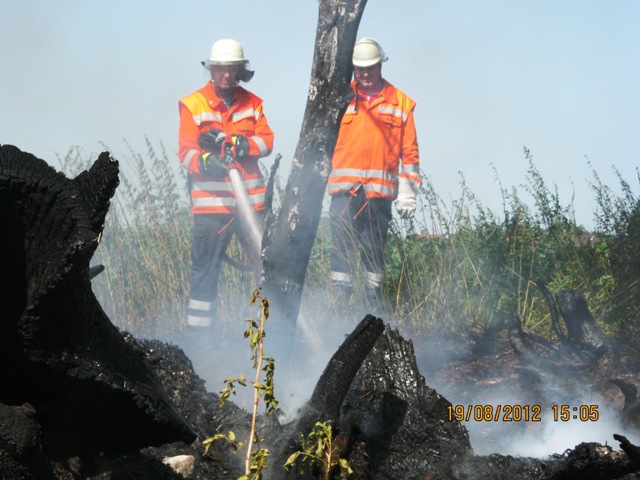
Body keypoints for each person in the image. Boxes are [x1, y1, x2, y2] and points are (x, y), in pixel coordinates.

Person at [178, 39, 274, 336]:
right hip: (212, 208)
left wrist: (243, 144)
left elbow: (267, 142)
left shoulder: (253, 104)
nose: (227, 75)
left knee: (267, 270)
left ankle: (271, 337)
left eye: (232, 69)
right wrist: (208, 162)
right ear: (211, 70)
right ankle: (200, 342)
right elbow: (186, 153)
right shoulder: (193, 105)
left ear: (240, 71)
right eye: (221, 69)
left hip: (250, 206)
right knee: (204, 274)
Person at [327, 37, 422, 313]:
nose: (365, 74)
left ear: (380, 66)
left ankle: (374, 311)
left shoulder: (400, 103)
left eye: (370, 68)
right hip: (344, 191)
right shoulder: (340, 98)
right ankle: (339, 311)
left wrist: (408, 194)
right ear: (353, 69)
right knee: (341, 252)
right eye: (360, 69)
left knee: (374, 252)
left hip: (378, 196)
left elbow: (410, 154)